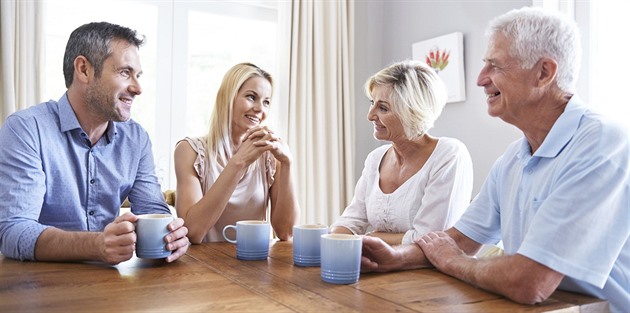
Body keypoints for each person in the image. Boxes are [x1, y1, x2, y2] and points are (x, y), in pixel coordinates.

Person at [360, 7, 629, 312]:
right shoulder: (514, 158)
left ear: (543, 73)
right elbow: (458, 239)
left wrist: (457, 263)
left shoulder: (602, 143)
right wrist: (396, 258)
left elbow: (529, 282)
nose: (480, 79)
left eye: (494, 66)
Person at [0, 22, 189, 264]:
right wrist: (96, 245)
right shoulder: (26, 129)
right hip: (39, 289)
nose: (138, 88)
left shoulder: (137, 139)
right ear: (83, 69)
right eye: (124, 72)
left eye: (138, 75)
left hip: (111, 287)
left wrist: (171, 236)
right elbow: (13, 232)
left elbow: (153, 211)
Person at [330, 60, 473, 246]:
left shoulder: (449, 155)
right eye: (372, 103)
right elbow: (351, 221)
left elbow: (431, 239)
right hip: (383, 270)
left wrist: (373, 237)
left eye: (383, 108)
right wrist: (332, 239)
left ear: (412, 112)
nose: (370, 115)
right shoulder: (375, 159)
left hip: (432, 273)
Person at [174, 62, 299, 244]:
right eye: (251, 97)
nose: (260, 109)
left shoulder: (270, 156)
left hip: (255, 264)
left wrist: (287, 164)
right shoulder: (190, 151)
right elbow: (193, 232)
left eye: (266, 102)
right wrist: (239, 163)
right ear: (228, 97)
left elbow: (286, 233)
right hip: (202, 268)